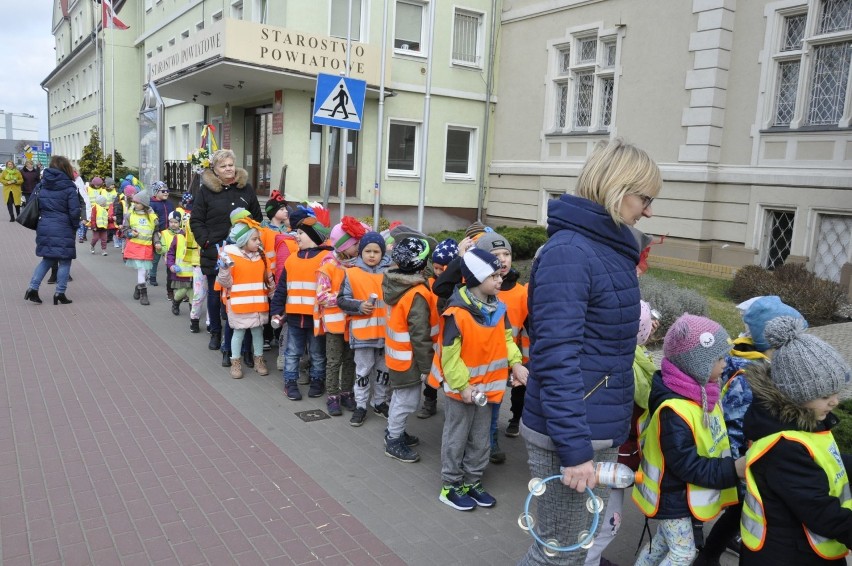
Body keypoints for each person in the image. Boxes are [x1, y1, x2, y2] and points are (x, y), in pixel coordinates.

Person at [520, 139, 662, 566]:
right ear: (617, 188)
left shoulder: (604, 249)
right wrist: (576, 451)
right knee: (559, 552)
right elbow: (555, 357)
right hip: (571, 431)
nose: (649, 211)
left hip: (590, 422)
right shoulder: (572, 252)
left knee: (574, 544)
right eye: (646, 198)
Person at [695, 295, 806, 566]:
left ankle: (712, 551)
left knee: (740, 513)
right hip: (743, 460)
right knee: (743, 513)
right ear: (775, 343)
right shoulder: (750, 378)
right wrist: (739, 466)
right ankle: (708, 556)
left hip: (747, 457)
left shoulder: (753, 363)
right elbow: (736, 425)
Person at [632, 314, 744, 566]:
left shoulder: (703, 393)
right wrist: (733, 469)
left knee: (662, 543)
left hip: (678, 494)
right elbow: (685, 463)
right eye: (718, 359)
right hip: (673, 495)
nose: (725, 364)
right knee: (683, 554)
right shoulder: (675, 410)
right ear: (697, 365)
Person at [739, 317, 852, 565]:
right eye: (824, 395)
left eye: (836, 392)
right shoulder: (784, 447)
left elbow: (827, 460)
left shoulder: (808, 421)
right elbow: (819, 511)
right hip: (786, 555)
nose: (834, 402)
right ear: (796, 395)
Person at [434, 248, 527, 510]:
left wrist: (516, 363)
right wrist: (463, 386)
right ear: (476, 278)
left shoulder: (499, 308)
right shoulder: (456, 313)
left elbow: (506, 339)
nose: (500, 280)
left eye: (500, 275)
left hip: (488, 390)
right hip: (463, 391)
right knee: (457, 437)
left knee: (481, 438)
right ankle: (450, 485)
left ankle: (472, 481)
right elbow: (449, 357)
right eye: (494, 276)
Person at [584, 301, 659, 566]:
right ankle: (588, 560)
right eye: (648, 324)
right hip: (612, 457)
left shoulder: (605, 354)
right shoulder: (630, 368)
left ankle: (590, 557)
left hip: (601, 454)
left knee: (593, 515)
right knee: (606, 522)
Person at [190, 149, 262, 352]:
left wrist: (250, 241)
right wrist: (206, 243)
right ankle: (215, 331)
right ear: (215, 169)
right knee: (215, 295)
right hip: (215, 251)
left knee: (238, 294)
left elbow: (256, 218)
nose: (228, 169)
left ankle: (238, 335)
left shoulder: (245, 189)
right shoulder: (205, 191)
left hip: (243, 253)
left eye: (231, 164)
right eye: (223, 166)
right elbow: (196, 220)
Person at [382, 236, 438, 463]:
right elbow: (420, 335)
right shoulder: (417, 294)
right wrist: (428, 367)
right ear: (423, 264)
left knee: (400, 396)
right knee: (407, 400)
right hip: (410, 359)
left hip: (397, 355)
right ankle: (394, 440)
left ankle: (393, 430)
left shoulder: (393, 284)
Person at [269, 210, 332, 400]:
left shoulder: (325, 259)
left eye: (300, 233)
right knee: (292, 352)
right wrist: (276, 312)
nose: (296, 236)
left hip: (316, 318)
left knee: (317, 353)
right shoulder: (291, 259)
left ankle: (317, 380)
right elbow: (282, 290)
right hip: (295, 317)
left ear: (313, 238)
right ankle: (290, 382)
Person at [337, 231, 393, 426]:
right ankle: (361, 405)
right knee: (363, 371)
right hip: (363, 335)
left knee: (383, 371)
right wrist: (359, 306)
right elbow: (341, 300)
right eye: (367, 251)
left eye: (376, 251)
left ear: (382, 252)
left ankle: (379, 402)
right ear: (360, 253)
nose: (371, 255)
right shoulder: (351, 273)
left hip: (387, 334)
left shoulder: (390, 274)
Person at [317, 216, 367, 416]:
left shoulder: (358, 265)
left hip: (353, 322)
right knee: (334, 360)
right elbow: (321, 296)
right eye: (356, 244)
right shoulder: (328, 266)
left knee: (350, 360)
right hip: (335, 324)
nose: (359, 248)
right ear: (344, 246)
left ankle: (347, 393)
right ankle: (332, 396)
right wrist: (343, 298)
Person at [217, 220, 274, 379]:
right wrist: (224, 269)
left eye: (258, 239)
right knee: (239, 333)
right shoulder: (231, 257)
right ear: (243, 241)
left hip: (257, 304)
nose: (258, 242)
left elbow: (269, 279)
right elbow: (225, 283)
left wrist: (274, 297)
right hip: (239, 304)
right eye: (254, 239)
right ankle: (235, 362)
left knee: (258, 332)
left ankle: (259, 360)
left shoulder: (261, 257)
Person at [24, 155, 80, 305]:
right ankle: (60, 293)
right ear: (65, 168)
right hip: (63, 227)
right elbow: (74, 211)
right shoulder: (69, 187)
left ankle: (32, 289)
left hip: (44, 225)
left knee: (47, 259)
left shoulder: (41, 184)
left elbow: (32, 204)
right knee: (65, 261)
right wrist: (75, 226)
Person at [416, 237, 458, 420]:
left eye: (444, 268)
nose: (439, 271)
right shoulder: (428, 284)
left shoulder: (455, 286)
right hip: (433, 338)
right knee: (430, 376)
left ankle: (452, 406)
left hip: (449, 337)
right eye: (437, 267)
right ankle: (429, 401)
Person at [122, 190, 161, 306]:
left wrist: (157, 242)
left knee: (144, 271)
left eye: (137, 203)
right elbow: (124, 230)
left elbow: (155, 232)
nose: (134, 204)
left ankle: (138, 287)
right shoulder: (130, 215)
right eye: (133, 202)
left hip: (147, 248)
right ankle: (144, 294)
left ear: (144, 204)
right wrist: (130, 233)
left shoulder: (152, 217)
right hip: (135, 247)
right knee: (142, 270)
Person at [163, 211, 194, 316]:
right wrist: (171, 265)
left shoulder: (197, 239)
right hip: (181, 272)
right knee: (182, 292)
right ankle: (175, 303)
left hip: (194, 273)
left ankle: (193, 314)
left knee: (192, 293)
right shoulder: (178, 237)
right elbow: (170, 253)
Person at [148, 181, 175, 289]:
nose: (166, 193)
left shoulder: (169, 203)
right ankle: (152, 276)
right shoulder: (152, 204)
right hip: (158, 234)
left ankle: (172, 278)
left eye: (167, 191)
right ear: (156, 192)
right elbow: (152, 220)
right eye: (163, 191)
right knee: (156, 257)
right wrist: (156, 231)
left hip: (169, 233)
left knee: (170, 256)